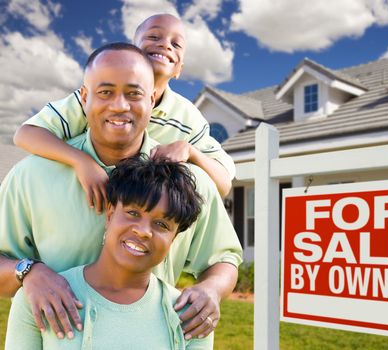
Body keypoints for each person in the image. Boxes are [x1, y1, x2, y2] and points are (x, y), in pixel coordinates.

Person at [0, 43, 242, 342]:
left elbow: (224, 257)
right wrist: (28, 272)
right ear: (85, 98)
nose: (119, 105)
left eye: (133, 93)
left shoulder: (188, 183)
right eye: (105, 92)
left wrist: (211, 290)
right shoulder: (31, 176)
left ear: (152, 99)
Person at [13, 13, 234, 207]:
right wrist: (81, 161)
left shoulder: (188, 117)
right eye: (154, 37)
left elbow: (223, 185)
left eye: (176, 45)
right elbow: (26, 134)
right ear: (132, 51)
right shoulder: (96, 99)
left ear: (179, 69)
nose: (165, 45)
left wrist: (190, 151)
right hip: (83, 202)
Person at [6, 156, 213, 349]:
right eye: (133, 213)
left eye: (161, 224)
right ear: (110, 215)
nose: (142, 231)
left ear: (173, 239)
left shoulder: (192, 316)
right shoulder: (41, 297)